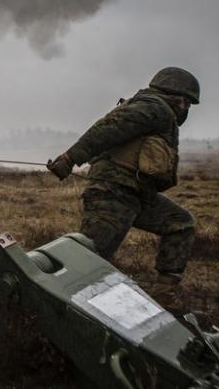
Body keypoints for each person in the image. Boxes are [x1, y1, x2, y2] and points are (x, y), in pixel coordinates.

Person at [46, 67, 200, 296]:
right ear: (174, 97)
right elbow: (109, 129)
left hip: (136, 194)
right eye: (185, 103)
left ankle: (164, 295)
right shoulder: (154, 107)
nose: (186, 108)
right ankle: (44, 297)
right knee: (88, 260)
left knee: (180, 223)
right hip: (113, 193)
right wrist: (70, 158)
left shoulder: (158, 111)